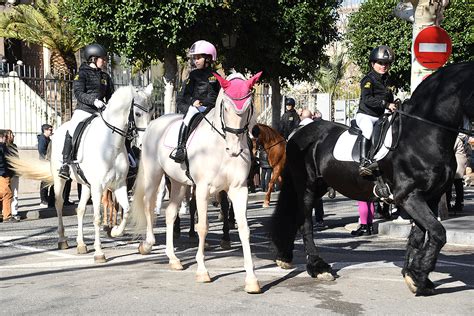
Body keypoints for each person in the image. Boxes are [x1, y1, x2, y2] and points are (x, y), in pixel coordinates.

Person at [58, 43, 114, 179]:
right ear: (93, 59)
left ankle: (129, 159)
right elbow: (78, 93)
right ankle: (65, 164)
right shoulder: (81, 74)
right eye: (103, 59)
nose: (105, 61)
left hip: (100, 112)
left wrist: (111, 106)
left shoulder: (105, 77)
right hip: (84, 110)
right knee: (72, 129)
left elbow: (111, 95)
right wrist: (94, 101)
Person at [169, 40, 220, 163]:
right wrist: (193, 101)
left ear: (208, 58)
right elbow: (185, 95)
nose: (195, 60)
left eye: (198, 58)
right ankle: (180, 147)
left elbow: (215, 95)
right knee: (189, 115)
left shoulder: (216, 76)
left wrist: (209, 104)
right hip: (196, 108)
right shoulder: (193, 75)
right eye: (195, 58)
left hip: (211, 108)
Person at [355, 45, 397, 176]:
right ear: (373, 64)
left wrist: (395, 104)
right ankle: (363, 163)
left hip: (381, 116)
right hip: (366, 115)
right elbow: (367, 99)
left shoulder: (388, 80)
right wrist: (386, 104)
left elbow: (390, 98)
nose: (383, 66)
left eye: (386, 63)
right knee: (368, 130)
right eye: (380, 63)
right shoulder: (367, 80)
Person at [446, 133, 470, 213]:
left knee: (450, 184)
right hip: (459, 162)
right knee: (458, 183)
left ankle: (453, 204)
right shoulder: (459, 137)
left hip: (457, 163)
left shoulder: (455, 138)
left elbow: (450, 149)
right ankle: (458, 203)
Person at [4, 130, 20, 220]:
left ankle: (14, 211)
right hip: (6, 173)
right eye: (11, 135)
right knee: (6, 193)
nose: (13, 136)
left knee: (14, 193)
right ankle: (6, 211)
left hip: (14, 172)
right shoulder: (3, 146)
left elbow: (16, 158)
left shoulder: (14, 146)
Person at [0, 130, 16, 222]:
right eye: (5, 137)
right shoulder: (2, 147)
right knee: (7, 194)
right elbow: (4, 162)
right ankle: (7, 216)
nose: (6, 139)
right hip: (3, 174)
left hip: (2, 173)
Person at [38, 124, 54, 208]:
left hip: (48, 162)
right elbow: (41, 151)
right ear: (45, 130)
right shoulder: (42, 139)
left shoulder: (47, 139)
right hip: (45, 162)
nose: (51, 131)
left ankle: (49, 199)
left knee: (49, 181)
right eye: (50, 130)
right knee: (45, 181)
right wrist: (47, 159)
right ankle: (43, 200)